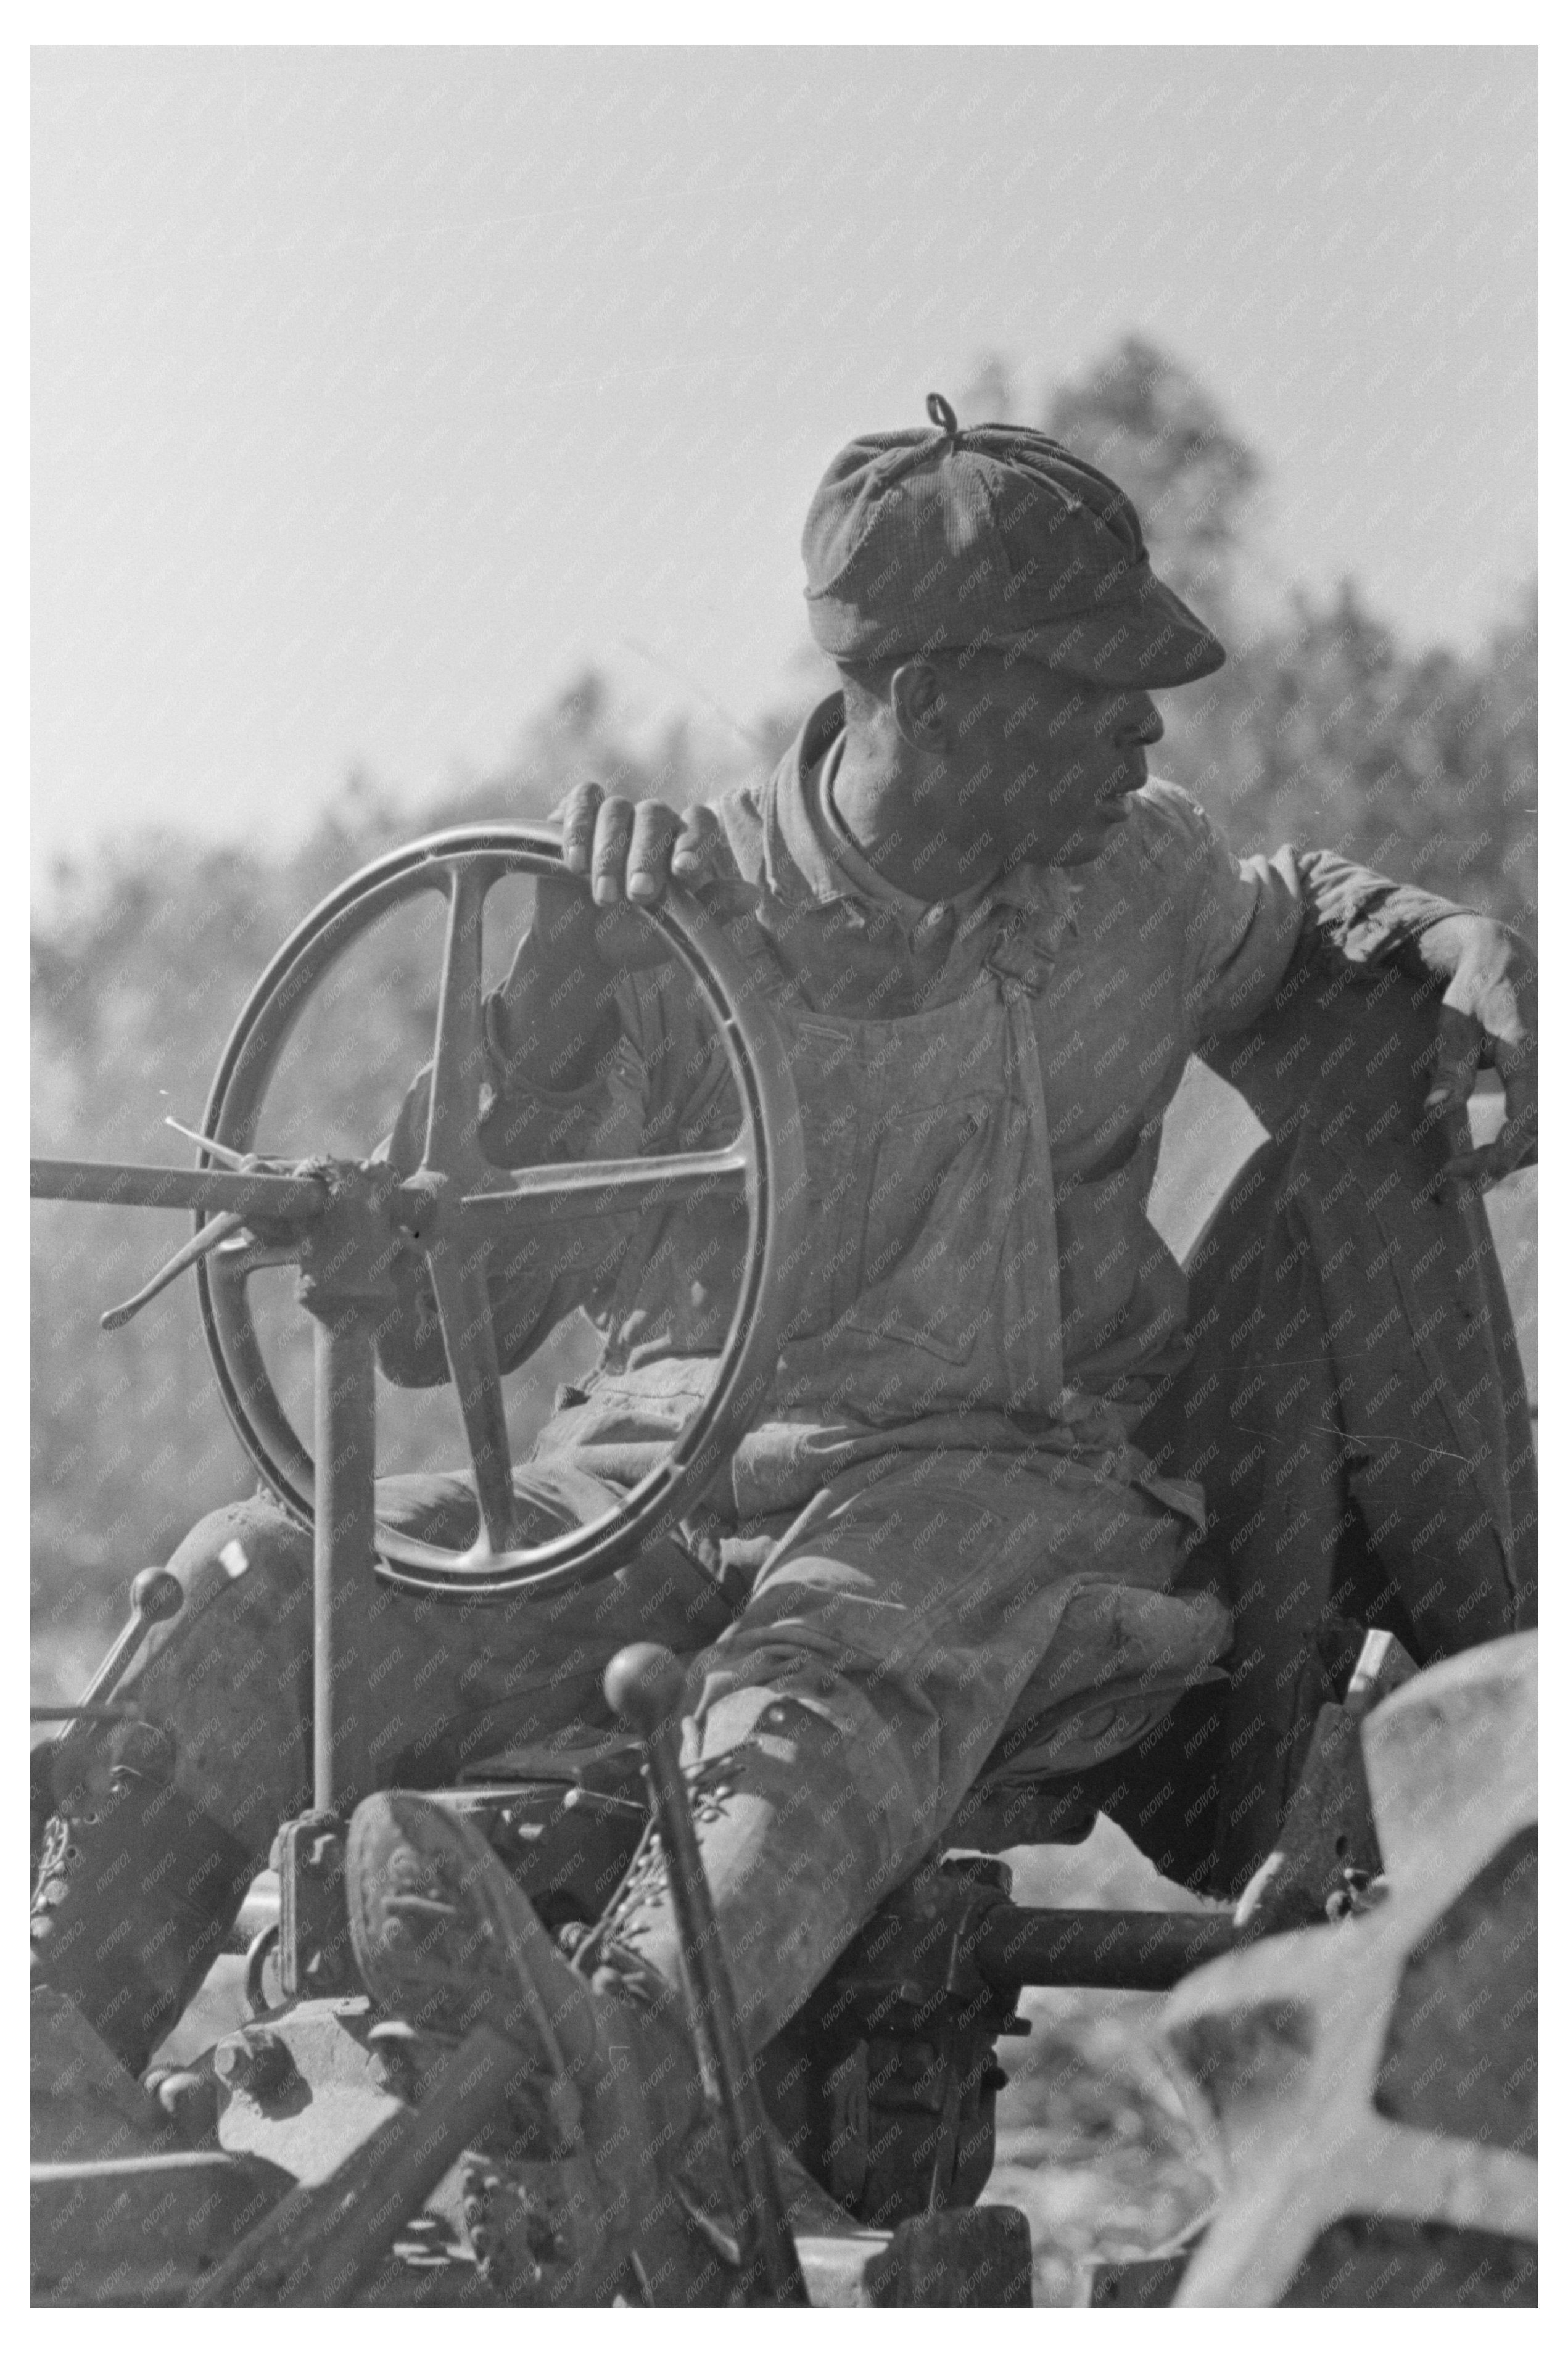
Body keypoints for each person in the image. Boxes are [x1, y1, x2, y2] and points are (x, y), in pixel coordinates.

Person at [31, 401, 1537, 2257]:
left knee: (831, 1672)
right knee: (258, 1581)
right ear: (928, 695)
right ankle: (62, 2106)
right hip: (655, 1491)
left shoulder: (1136, 882)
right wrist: (512, 1055)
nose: (1149, 727)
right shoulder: (667, 923)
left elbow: (1299, 920)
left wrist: (1447, 934)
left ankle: (596, 2105)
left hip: (1010, 1496)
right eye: (1099, 687)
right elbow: (445, 1328)